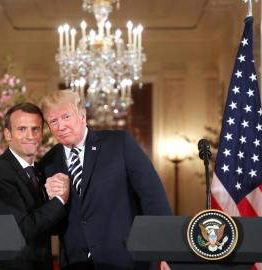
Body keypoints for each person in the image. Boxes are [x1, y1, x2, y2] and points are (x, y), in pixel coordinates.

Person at [39, 90, 172, 270]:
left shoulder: (120, 144)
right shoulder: (48, 163)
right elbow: (51, 226)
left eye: (66, 116)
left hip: (127, 259)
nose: (61, 126)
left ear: (82, 116)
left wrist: (166, 251)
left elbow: (153, 198)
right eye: (53, 121)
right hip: (74, 262)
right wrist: (52, 201)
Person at [0, 102, 70, 270]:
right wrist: (58, 200)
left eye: (35, 129)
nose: (30, 136)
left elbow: (48, 226)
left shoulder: (39, 171)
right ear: (8, 134)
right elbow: (20, 230)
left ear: (42, 133)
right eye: (22, 129)